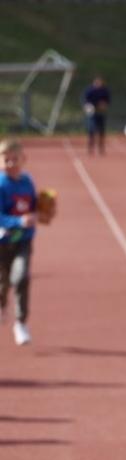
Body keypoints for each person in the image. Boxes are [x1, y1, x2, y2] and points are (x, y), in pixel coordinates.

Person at [0, 140, 45, 345]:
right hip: (2, 242)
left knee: (21, 277)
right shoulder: (1, 184)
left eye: (14, 159)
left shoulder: (27, 181)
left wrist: (41, 212)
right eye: (5, 159)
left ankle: (21, 322)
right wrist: (18, 220)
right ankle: (2, 305)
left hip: (23, 241)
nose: (10, 163)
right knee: (3, 281)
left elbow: (34, 206)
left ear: (23, 159)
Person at [82, 76, 111, 155]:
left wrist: (104, 105)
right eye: (97, 82)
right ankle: (90, 146)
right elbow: (85, 100)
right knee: (91, 129)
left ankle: (101, 147)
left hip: (101, 112)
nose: (98, 84)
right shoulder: (90, 90)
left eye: (100, 82)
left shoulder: (104, 90)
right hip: (92, 113)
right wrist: (88, 107)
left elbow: (107, 100)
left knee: (101, 130)